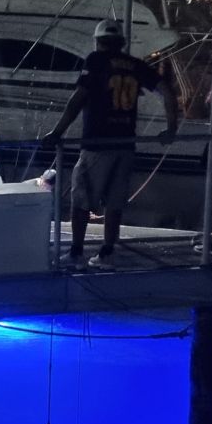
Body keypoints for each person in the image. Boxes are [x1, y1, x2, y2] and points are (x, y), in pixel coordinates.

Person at [41, 19, 178, 271]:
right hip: (125, 143)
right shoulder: (136, 65)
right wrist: (172, 128)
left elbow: (79, 98)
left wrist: (57, 131)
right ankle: (107, 252)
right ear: (121, 42)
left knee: (81, 199)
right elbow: (167, 91)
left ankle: (76, 252)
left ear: (98, 42)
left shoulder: (95, 61)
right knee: (114, 202)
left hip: (97, 143)